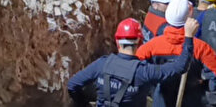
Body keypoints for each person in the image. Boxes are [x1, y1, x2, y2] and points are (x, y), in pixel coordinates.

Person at [68, 16, 200, 107]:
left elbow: (73, 85)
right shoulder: (144, 71)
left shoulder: (101, 64)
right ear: (140, 42)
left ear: (117, 41)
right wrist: (188, 37)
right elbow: (180, 66)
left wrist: (84, 104)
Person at [136, 0, 216, 107]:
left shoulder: (151, 46)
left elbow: (136, 70)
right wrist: (203, 90)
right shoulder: (200, 48)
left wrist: (152, 86)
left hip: (161, 97)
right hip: (191, 97)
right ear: (190, 17)